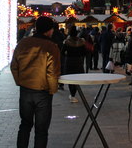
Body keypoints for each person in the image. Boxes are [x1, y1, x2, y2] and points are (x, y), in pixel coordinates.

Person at [10, 16, 61, 148]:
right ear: (49, 30)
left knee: (25, 125)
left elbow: (14, 66)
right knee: (41, 130)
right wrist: (52, 89)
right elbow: (52, 72)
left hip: (25, 90)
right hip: (42, 92)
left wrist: (20, 81)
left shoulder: (23, 43)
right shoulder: (51, 46)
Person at [62, 26, 87, 103]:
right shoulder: (81, 41)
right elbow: (84, 52)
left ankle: (72, 95)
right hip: (78, 61)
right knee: (77, 78)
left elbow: (62, 52)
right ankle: (74, 93)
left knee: (70, 78)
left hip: (69, 61)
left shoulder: (66, 42)